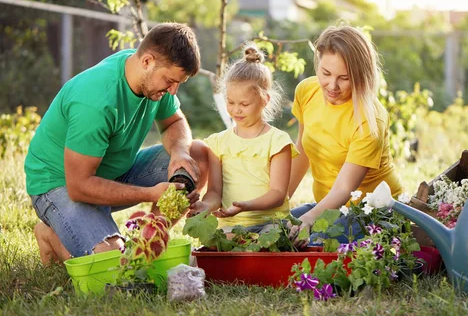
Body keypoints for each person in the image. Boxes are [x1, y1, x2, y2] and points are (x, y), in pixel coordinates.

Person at [24, 22, 209, 264]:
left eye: (178, 83)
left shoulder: (147, 76)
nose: (173, 91)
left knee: (198, 154)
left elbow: (174, 122)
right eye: (170, 81)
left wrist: (180, 152)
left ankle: (149, 244)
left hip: (113, 172)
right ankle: (51, 235)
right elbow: (78, 186)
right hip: (60, 186)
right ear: (147, 61)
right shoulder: (95, 101)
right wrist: (150, 193)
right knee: (114, 263)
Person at [288, 24, 404, 245]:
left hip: (374, 213)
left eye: (344, 77)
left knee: (313, 242)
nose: (332, 85)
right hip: (330, 208)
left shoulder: (370, 120)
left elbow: (344, 188)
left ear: (361, 76)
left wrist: (310, 218)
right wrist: (279, 203)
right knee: (277, 228)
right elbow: (302, 150)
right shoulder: (307, 91)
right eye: (326, 73)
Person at [189, 44, 297, 232]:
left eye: (244, 104)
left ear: (265, 100)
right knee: (224, 252)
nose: (236, 109)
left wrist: (245, 206)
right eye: (230, 102)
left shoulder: (277, 142)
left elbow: (278, 194)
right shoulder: (219, 143)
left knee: (266, 244)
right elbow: (215, 192)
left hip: (270, 224)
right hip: (231, 226)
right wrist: (205, 206)